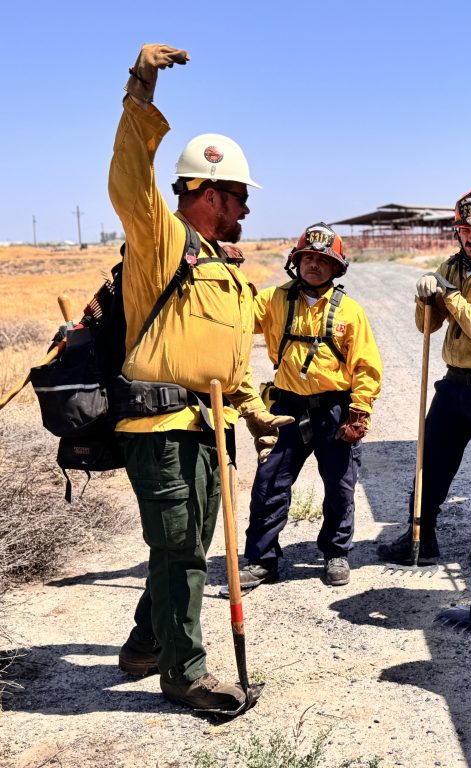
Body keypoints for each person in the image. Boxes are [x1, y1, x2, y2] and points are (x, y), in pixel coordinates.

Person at [109, 44, 292, 713]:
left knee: (183, 546)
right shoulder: (162, 240)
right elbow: (131, 179)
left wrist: (253, 409)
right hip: (158, 425)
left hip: (205, 426)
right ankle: (185, 673)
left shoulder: (223, 264)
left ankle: (145, 644)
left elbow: (225, 356)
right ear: (209, 192)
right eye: (240, 195)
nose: (246, 207)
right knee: (182, 549)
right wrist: (141, 87)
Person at [378, 189, 471, 566]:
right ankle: (420, 536)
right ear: (457, 232)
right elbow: (426, 326)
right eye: (465, 230)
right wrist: (424, 299)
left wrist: (449, 294)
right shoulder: (450, 267)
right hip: (454, 382)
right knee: (430, 460)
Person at [236, 223, 382, 591]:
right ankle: (262, 560)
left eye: (323, 260)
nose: (314, 265)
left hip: (335, 408)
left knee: (340, 486)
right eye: (307, 258)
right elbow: (235, 321)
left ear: (336, 268)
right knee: (269, 484)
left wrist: (359, 412)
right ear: (295, 262)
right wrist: (231, 282)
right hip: (287, 407)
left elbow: (366, 366)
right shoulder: (272, 301)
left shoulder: (350, 311)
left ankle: (335, 553)